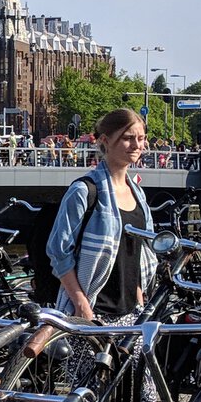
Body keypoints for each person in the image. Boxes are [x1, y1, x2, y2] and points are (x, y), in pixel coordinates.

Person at [48, 107, 156, 324]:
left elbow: (139, 251)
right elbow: (58, 251)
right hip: (92, 312)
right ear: (105, 140)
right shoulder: (84, 191)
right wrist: (81, 305)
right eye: (128, 138)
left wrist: (139, 298)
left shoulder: (138, 193)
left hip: (130, 314)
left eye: (141, 138)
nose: (137, 146)